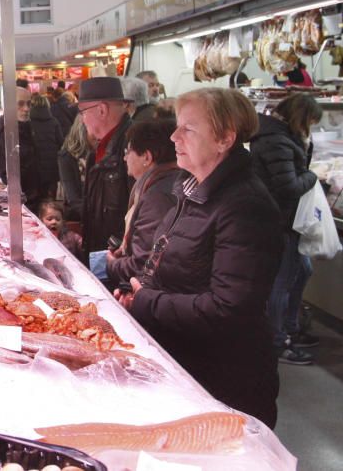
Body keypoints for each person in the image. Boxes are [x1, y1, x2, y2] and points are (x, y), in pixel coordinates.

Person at [116, 88, 281, 427]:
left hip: (223, 377)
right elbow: (165, 262)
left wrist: (147, 301)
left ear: (224, 139)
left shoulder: (244, 206)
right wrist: (132, 291)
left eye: (188, 129)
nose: (174, 136)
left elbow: (229, 308)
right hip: (183, 359)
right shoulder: (190, 189)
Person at [250, 94, 324, 365]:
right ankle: (278, 342)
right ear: (301, 118)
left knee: (302, 271)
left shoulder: (279, 136)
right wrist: (313, 175)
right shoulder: (276, 141)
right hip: (279, 222)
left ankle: (290, 330)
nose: (310, 129)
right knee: (282, 282)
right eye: (311, 123)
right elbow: (288, 187)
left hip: (285, 221)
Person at [106, 118, 181, 284]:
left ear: (146, 157)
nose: (125, 158)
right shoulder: (168, 182)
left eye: (128, 151)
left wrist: (111, 265)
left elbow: (143, 263)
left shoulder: (157, 197)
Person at [77, 77, 132, 266]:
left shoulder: (133, 147)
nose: (82, 119)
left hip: (118, 260)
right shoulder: (101, 149)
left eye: (83, 112)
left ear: (101, 110)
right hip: (103, 256)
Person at [28, 94, 64, 201]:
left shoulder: (28, 123)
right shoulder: (54, 122)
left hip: (34, 166)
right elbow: (61, 143)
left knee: (36, 196)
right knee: (50, 197)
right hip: (52, 165)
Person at [58, 115, 93, 222]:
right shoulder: (67, 156)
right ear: (82, 131)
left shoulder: (102, 152)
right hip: (80, 218)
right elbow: (73, 197)